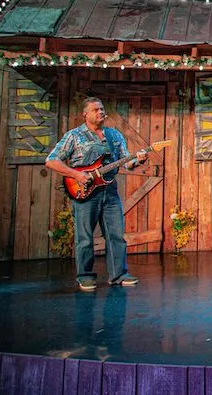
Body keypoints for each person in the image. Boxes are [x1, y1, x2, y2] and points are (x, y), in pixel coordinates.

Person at [46, 97, 147, 291]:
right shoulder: (74, 136)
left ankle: (119, 274)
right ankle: (84, 275)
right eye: (95, 110)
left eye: (101, 109)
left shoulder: (114, 135)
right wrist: (76, 174)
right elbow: (51, 160)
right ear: (85, 114)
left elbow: (126, 162)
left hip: (109, 192)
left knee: (116, 235)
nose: (100, 112)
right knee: (84, 237)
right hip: (85, 192)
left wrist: (138, 160)